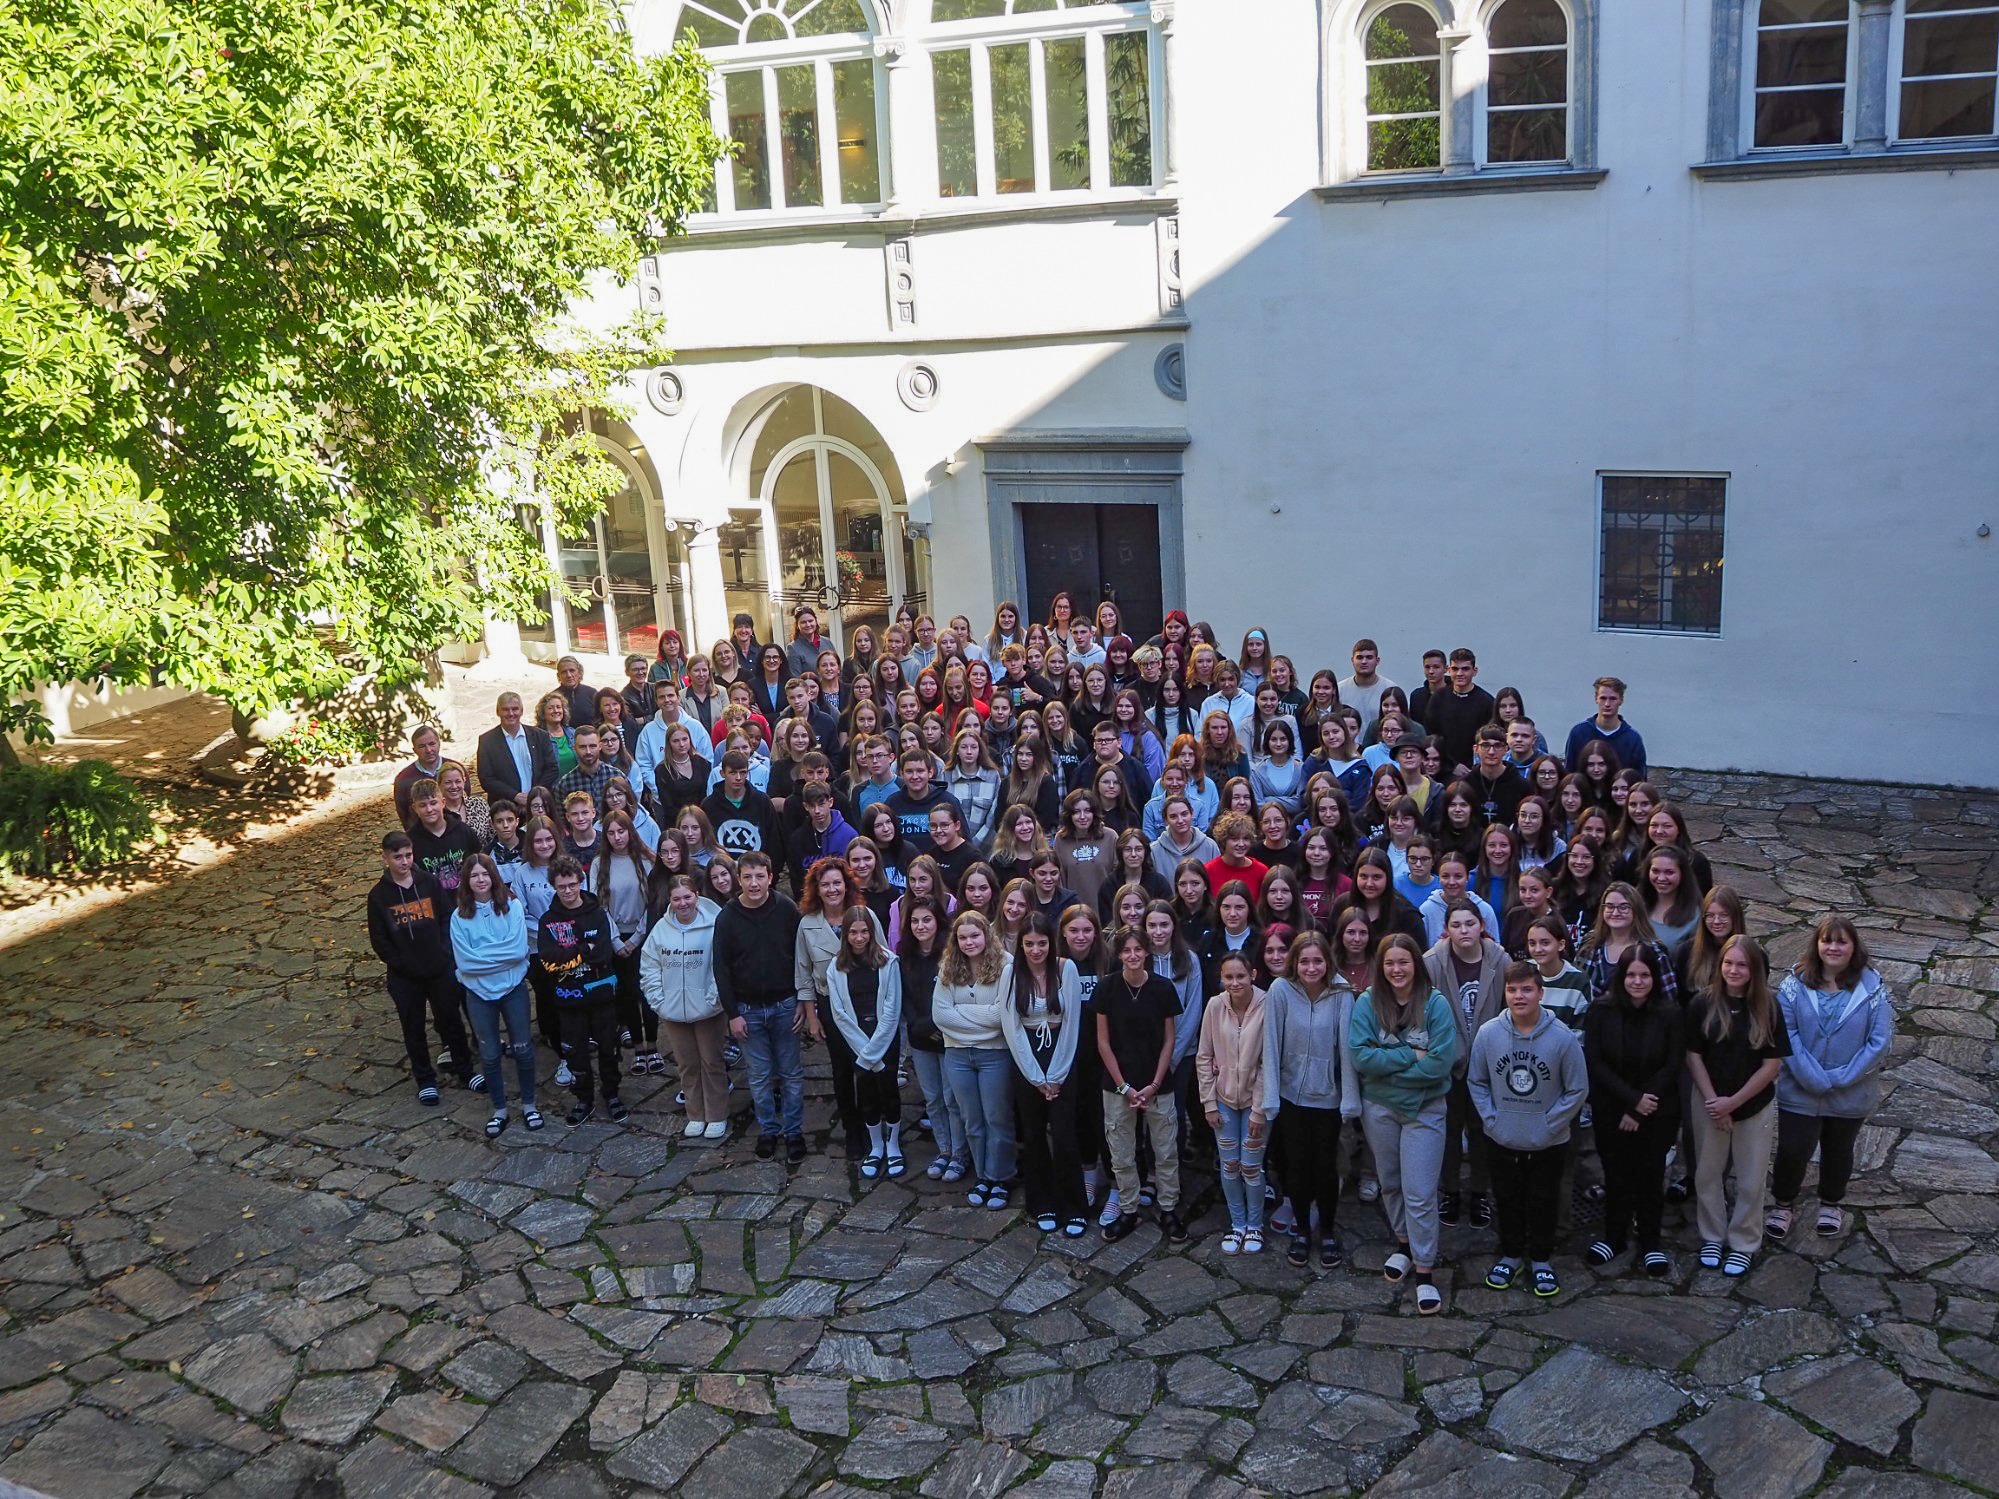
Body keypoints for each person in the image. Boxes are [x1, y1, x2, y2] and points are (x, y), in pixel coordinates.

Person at [1350, 932, 1457, 1315]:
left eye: (1404, 962)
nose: (1397, 970)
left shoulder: (1436, 1004)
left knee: (1420, 1190)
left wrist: (1389, 1067)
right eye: (1390, 963)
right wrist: (1411, 1055)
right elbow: (1362, 1058)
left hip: (1424, 1110)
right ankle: (1404, 1245)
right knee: (1390, 1182)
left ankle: (1425, 1270)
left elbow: (1442, 1063)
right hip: (1379, 1109)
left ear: (1416, 964)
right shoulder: (1367, 1003)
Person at [1768, 917, 1893, 1241]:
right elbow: (1787, 1032)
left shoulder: (1873, 988)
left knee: (1839, 1150)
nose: (1833, 948)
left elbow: (1879, 1041)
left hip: (1850, 1092)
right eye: (1827, 941)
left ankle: (1831, 1202)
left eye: (1841, 942)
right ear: (1817, 945)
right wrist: (1812, 1077)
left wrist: (1842, 1077)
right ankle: (1782, 1204)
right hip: (1800, 1088)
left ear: (1853, 948)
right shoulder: (1794, 984)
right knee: (1793, 1149)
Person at [1469, 962, 1588, 1298]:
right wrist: (1492, 1119)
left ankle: (1540, 1259)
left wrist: (1550, 1124)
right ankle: (1510, 1254)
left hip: (1548, 1141)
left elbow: (1577, 1089)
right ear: (1505, 993)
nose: (1519, 996)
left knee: (1543, 1199)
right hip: (1502, 1135)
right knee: (1507, 1198)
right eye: (1512, 990)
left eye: (1526, 989)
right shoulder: (1489, 1034)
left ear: (1540, 993)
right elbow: (1476, 1080)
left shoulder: (1562, 1038)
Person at [1685, 935, 1792, 1277]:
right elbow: (1693, 1055)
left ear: (1755, 970)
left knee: (1750, 1180)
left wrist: (1734, 1103)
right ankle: (1713, 1235)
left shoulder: (1769, 1008)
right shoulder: (1702, 1004)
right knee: (1707, 1174)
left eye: (1742, 964)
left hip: (1753, 1106)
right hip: (1708, 1103)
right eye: (1729, 963)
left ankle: (1744, 1241)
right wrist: (1714, 1102)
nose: (1734, 970)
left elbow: (1771, 1065)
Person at [1583, 944, 1683, 1276]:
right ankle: (1614, 1237)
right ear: (1620, 976)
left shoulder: (1669, 1013)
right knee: (1616, 1174)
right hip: (1611, 1108)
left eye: (1644, 975)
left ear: (1654, 977)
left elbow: (1671, 1064)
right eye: (1631, 975)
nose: (1637, 982)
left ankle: (1651, 1242)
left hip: (1656, 1110)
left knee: (1650, 1176)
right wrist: (1630, 1101)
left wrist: (1642, 1106)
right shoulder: (1601, 1011)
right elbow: (1595, 1062)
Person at [1263, 930, 1361, 1268]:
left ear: (1327, 962)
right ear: (1294, 962)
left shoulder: (1341, 995)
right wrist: (1271, 1096)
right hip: (1290, 1097)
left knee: (1325, 1168)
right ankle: (1302, 1231)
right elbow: (1271, 1044)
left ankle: (1328, 1231)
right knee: (1296, 1168)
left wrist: (1349, 1099)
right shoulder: (1280, 991)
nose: (1310, 967)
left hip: (1327, 1099)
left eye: (1317, 960)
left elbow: (1347, 1052)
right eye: (1304, 961)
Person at [367, 830, 476, 1105]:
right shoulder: (379, 896)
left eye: (408, 855)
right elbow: (379, 939)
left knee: (451, 1020)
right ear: (385, 858)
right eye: (397, 857)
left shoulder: (429, 883)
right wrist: (402, 963)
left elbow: (446, 918)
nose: (404, 862)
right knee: (413, 1027)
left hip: (438, 968)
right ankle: (425, 1080)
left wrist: (443, 952)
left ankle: (466, 1070)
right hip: (405, 977)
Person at [714, 852, 809, 1164]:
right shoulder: (727, 917)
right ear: (738, 879)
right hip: (748, 1009)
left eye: (760, 876)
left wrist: (802, 1001)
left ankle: (793, 1131)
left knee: (791, 1072)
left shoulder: (786, 909)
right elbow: (721, 968)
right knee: (758, 1075)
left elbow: (801, 956)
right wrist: (733, 1014)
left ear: (770, 877)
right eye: (747, 877)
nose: (754, 883)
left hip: (785, 1005)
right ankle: (768, 1129)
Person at [1000, 913, 1087, 1236]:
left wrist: (1057, 1075)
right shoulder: (1011, 973)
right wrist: (1037, 1077)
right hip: (1027, 1059)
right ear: (1020, 945)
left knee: (1064, 1136)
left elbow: (1073, 1024)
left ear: (1051, 943)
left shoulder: (1067, 970)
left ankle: (1074, 1205)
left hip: (1062, 1055)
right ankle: (1041, 1203)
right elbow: (1012, 1028)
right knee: (1034, 1136)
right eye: (1029, 944)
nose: (1035, 950)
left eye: (1041, 943)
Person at [1097, 924, 1184, 1244]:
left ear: (1147, 952)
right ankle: (1129, 1209)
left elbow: (1169, 1040)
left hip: (1157, 1084)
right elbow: (1103, 1043)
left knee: (1165, 1149)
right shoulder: (1107, 988)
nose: (1132, 956)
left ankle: (1169, 1208)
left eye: (1138, 949)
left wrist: (1154, 1083)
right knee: (1121, 1151)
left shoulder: (1162, 989)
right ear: (1118, 954)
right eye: (1126, 950)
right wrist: (1125, 1087)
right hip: (1118, 1085)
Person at [1425, 898, 1506, 1227]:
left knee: (1482, 1129)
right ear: (1446, 930)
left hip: (1488, 1062)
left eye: (1469, 924)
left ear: (1482, 926)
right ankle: (1450, 1191)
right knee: (1448, 1129)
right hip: (1448, 1062)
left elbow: (1506, 1007)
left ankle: (1479, 1193)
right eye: (1456, 925)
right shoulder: (1432, 962)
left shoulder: (1499, 960)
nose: (1463, 930)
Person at [796, 857, 882, 1160]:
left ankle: (874, 1124)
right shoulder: (807, 925)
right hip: (830, 1006)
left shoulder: (864, 916)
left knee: (869, 1068)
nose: (832, 889)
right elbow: (803, 974)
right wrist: (811, 1017)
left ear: (847, 885)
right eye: (825, 884)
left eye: (837, 883)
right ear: (816, 889)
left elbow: (884, 963)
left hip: (865, 1005)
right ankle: (852, 1129)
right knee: (842, 1071)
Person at [452, 852, 540, 1137]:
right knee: (489, 1054)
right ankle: (499, 1109)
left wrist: (484, 957)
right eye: (474, 875)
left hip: (512, 987)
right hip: (478, 993)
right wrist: (500, 956)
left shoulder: (512, 907)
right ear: (467, 880)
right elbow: (465, 962)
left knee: (523, 1048)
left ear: (494, 876)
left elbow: (518, 950)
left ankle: (529, 1104)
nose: (481, 880)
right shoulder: (458, 917)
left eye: (485, 874)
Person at [934, 912, 1018, 1210]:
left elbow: (1000, 1018)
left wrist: (961, 1015)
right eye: (963, 937)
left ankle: (1001, 1176)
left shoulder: (1006, 965)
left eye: (975, 936)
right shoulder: (948, 966)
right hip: (957, 1055)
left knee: (997, 1117)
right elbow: (940, 1015)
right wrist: (980, 1017)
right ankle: (982, 1175)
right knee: (972, 1118)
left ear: (986, 935)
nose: (969, 942)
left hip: (995, 1054)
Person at [640, 873, 729, 1139]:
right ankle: (695, 1114)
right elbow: (650, 966)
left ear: (697, 897)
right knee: (687, 1064)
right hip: (673, 1011)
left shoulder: (714, 926)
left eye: (687, 897)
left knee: (711, 1062)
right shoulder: (660, 930)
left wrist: (713, 999)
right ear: (669, 901)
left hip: (708, 1010)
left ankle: (716, 1114)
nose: (683, 903)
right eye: (677, 899)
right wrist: (659, 1001)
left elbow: (721, 965)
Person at [539, 855, 625, 1127]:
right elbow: (549, 962)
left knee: (609, 1048)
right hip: (568, 1000)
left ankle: (611, 1094)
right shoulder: (547, 920)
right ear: (554, 886)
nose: (568, 891)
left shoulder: (597, 913)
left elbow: (601, 954)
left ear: (580, 882)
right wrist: (580, 949)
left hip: (601, 996)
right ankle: (583, 1098)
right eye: (562, 886)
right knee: (575, 1052)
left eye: (572, 885)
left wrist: (570, 953)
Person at [1197, 952, 1270, 1256]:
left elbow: (1269, 1062)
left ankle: (1255, 1225)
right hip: (1224, 1098)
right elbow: (1203, 1056)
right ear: (1221, 978)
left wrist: (1259, 1108)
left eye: (1241, 976)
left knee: (1251, 1166)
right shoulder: (1215, 1006)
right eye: (1229, 977)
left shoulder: (1267, 1005)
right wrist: (1208, 1102)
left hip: (1256, 1102)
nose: (1235, 982)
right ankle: (1237, 1224)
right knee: (1230, 1165)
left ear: (1252, 974)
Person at [827, 906, 906, 1180]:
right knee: (867, 1095)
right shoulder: (835, 967)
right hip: (856, 1042)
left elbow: (892, 1008)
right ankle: (876, 1146)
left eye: (864, 932)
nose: (859, 938)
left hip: (884, 1040)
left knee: (889, 1093)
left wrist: (875, 1051)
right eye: (853, 932)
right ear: (845, 935)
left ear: (872, 933)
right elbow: (840, 1013)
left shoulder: (889, 962)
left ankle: (894, 1145)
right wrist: (864, 1052)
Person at [407, 778, 483, 907]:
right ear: (415, 808)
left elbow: (479, 862)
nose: (429, 809)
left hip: (467, 901)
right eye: (422, 805)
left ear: (443, 802)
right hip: (433, 905)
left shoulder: (463, 831)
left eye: (433, 803)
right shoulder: (411, 841)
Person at [1424, 649, 1497, 779]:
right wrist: (1452, 765)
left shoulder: (1486, 701)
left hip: (1476, 771)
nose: (1460, 673)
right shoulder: (1438, 699)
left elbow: (1487, 739)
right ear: (1448, 669)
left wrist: (1474, 766)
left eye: (1465, 669)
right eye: (1455, 668)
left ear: (1475, 671)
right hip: (1443, 770)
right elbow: (1432, 736)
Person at [476, 694, 558, 804]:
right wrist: (515, 796)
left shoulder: (540, 736)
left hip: (538, 804)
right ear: (497, 712)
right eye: (505, 710)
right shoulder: (487, 741)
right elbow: (486, 778)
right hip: (505, 807)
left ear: (522, 711)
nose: (511, 714)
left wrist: (534, 794)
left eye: (515, 709)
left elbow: (552, 769)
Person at [1564, 676, 1648, 779]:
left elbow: (1639, 779)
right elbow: (1569, 773)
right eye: (1603, 698)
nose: (1607, 704)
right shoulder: (1579, 733)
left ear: (1621, 700)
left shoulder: (1632, 739)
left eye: (1613, 699)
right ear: (1596, 699)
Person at [553, 722, 618, 815]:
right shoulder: (565, 784)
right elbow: (562, 823)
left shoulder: (615, 776)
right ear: (574, 748)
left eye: (592, 746)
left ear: (600, 746)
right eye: (583, 747)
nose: (588, 751)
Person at [1339, 639, 1397, 740]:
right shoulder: (1340, 689)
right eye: (1359, 657)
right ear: (1352, 660)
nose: (1364, 661)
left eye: (1369, 657)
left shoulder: (1390, 689)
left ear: (1377, 660)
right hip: (1347, 749)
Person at [393, 724, 449, 827]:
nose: (428, 750)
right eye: (422, 746)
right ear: (414, 750)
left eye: (432, 744)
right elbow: (404, 814)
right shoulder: (403, 779)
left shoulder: (454, 770)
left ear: (439, 744)